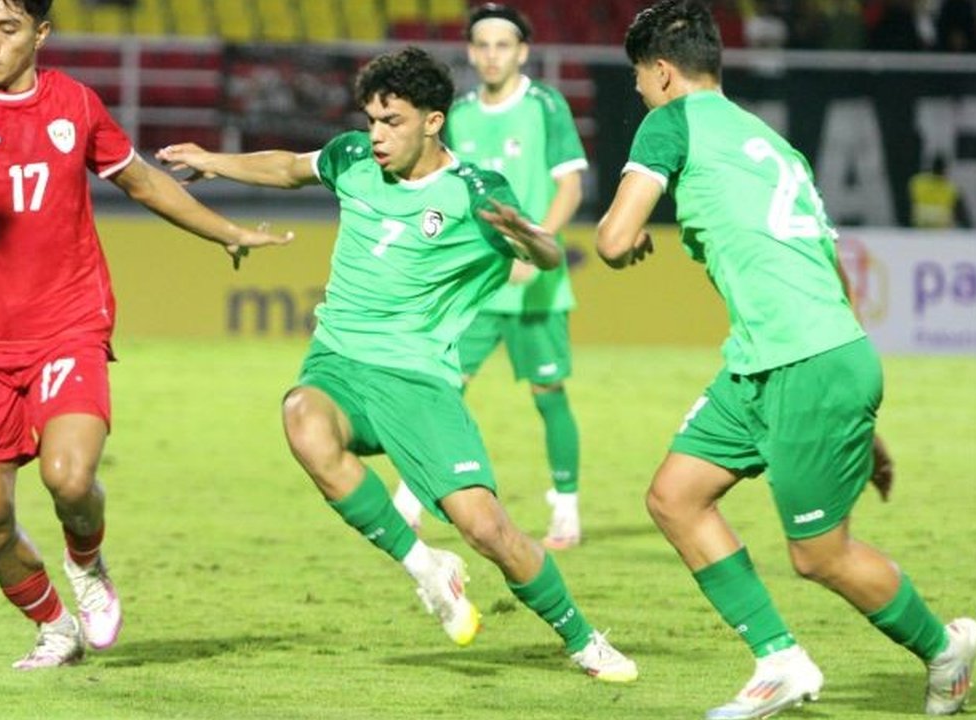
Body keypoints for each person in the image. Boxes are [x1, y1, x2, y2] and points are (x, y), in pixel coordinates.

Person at [157, 46, 638, 683]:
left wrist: (535, 241)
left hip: (418, 380)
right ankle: (423, 567)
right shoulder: (353, 157)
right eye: (373, 120)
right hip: (340, 363)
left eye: (393, 122)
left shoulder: (474, 192)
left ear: (434, 121)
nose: (377, 136)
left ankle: (581, 638)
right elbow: (290, 167)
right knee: (302, 417)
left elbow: (546, 256)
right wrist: (212, 161)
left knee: (486, 529)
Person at [597, 1, 976, 717]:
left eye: (640, 82)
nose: (641, 95)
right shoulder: (775, 146)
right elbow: (831, 272)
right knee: (674, 496)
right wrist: (860, 418)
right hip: (781, 359)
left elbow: (614, 238)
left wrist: (627, 238)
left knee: (819, 556)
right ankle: (780, 660)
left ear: (661, 72)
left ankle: (944, 646)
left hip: (800, 363)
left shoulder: (671, 121)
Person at [0, 0, 291, 670]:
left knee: (69, 478)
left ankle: (87, 561)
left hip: (67, 323)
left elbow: (143, 182)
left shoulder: (75, 105)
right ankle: (53, 626)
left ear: (40, 34)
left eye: (8, 29)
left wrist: (228, 232)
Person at [392, 3, 590, 550]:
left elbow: (570, 187)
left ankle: (566, 509)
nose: (492, 54)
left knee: (549, 392)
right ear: (472, 53)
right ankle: (411, 494)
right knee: (441, 387)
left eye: (503, 45)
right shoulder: (456, 114)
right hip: (474, 285)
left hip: (535, 283)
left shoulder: (546, 106)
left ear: (522, 52)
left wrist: (532, 247)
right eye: (483, 45)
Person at [910, 154, 972, 229]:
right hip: (941, 230)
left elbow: (907, 204)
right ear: (945, 170)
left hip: (919, 227)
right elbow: (962, 214)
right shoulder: (950, 188)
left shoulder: (917, 183)